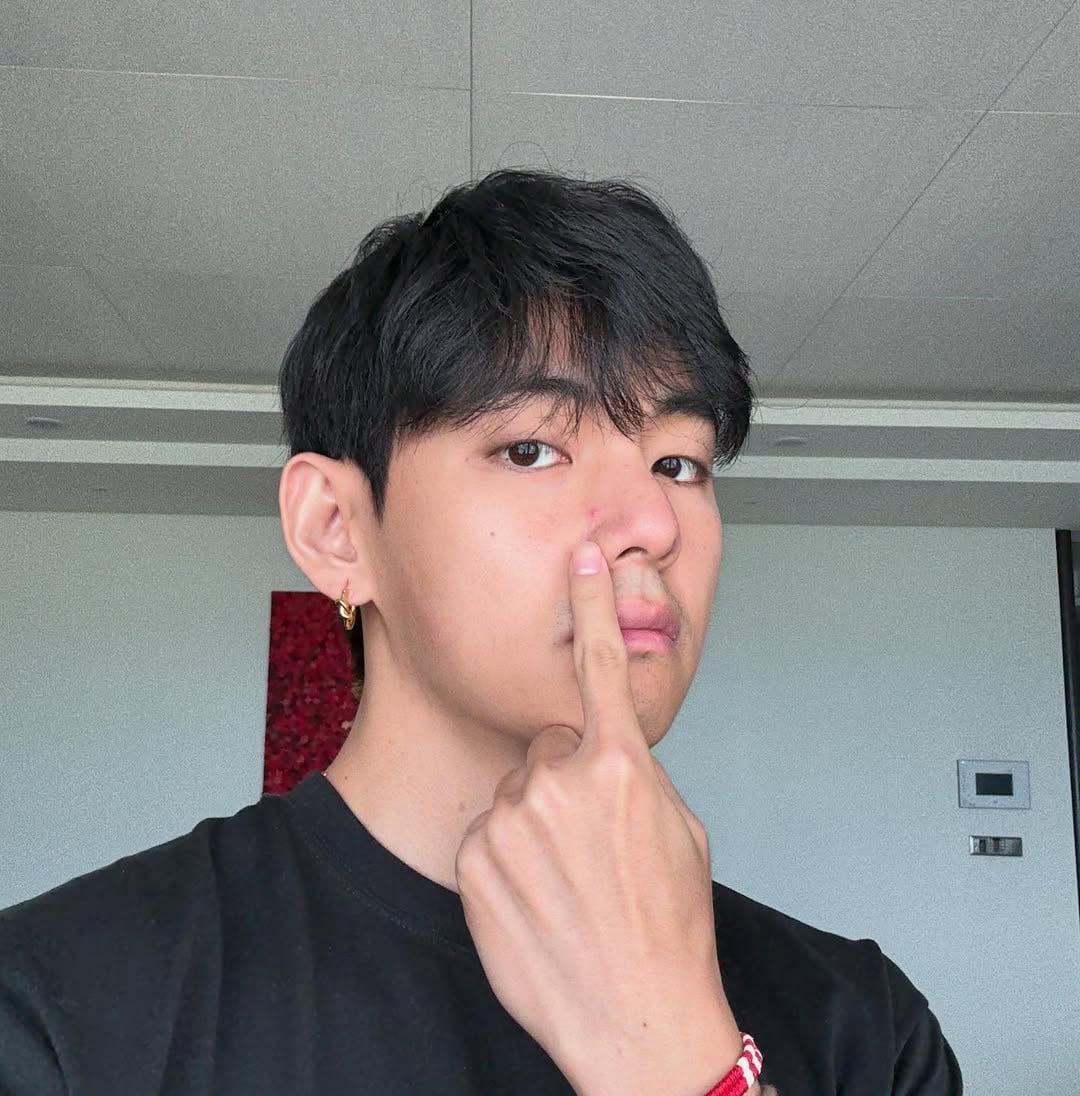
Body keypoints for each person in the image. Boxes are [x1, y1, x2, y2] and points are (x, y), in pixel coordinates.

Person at [0, 169, 962, 1095]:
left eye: (679, 464)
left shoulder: (866, 1028)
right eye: (533, 449)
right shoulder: (56, 1008)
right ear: (337, 531)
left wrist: (681, 1064)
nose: (654, 524)